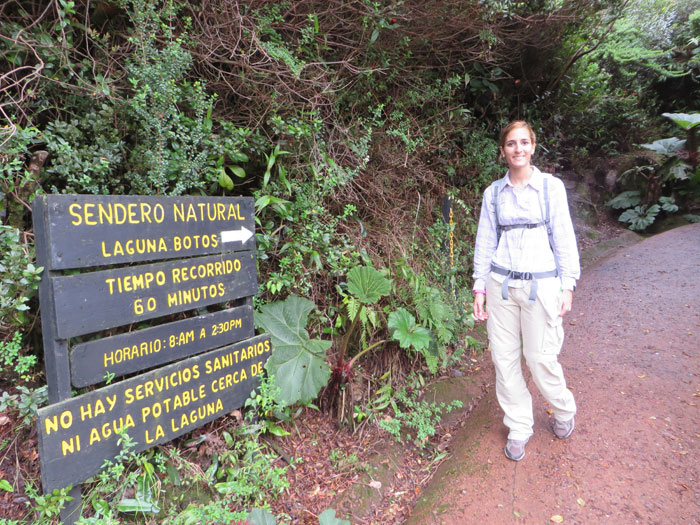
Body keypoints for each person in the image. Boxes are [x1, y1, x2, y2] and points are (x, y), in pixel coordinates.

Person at [471, 120, 579, 461]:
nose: (517, 149)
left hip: (542, 285)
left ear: (533, 146)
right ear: (502, 150)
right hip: (501, 284)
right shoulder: (493, 193)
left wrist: (568, 285)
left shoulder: (550, 188)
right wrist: (479, 286)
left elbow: (563, 237)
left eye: (523, 143)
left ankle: (562, 408)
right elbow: (485, 242)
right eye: (511, 144)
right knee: (504, 361)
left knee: (540, 358)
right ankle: (519, 424)